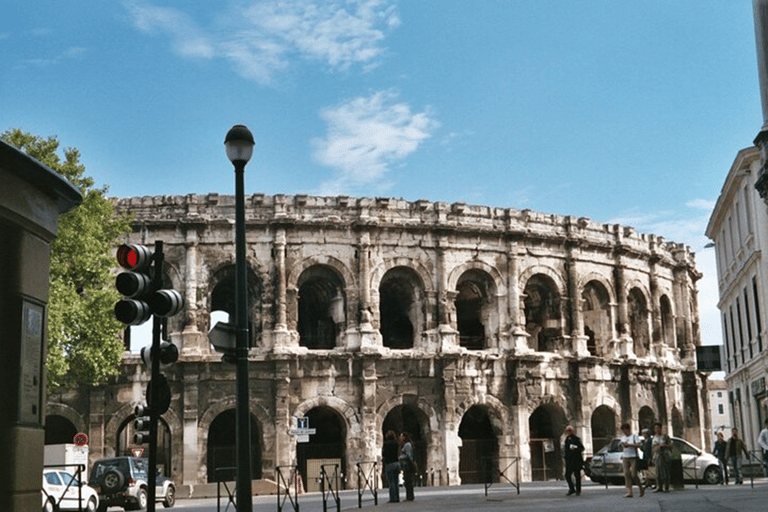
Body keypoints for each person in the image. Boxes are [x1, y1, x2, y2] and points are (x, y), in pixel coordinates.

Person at [619, 423, 645, 498]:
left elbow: (639, 445)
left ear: (629, 429)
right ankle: (629, 492)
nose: (624, 432)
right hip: (625, 457)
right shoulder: (622, 438)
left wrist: (629, 445)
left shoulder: (634, 436)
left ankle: (640, 487)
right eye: (623, 430)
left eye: (625, 430)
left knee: (634, 474)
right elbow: (621, 447)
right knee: (626, 474)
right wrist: (621, 446)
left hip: (633, 457)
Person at [563, 425, 585, 496]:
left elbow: (582, 448)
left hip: (576, 460)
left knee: (577, 476)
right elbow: (566, 450)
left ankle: (578, 490)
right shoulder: (567, 439)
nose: (569, 432)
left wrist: (575, 448)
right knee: (567, 475)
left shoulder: (576, 439)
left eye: (570, 430)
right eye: (568, 431)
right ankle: (572, 489)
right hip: (569, 460)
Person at [651, 422, 671, 493]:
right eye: (655, 428)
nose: (657, 430)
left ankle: (666, 487)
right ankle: (659, 486)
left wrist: (663, 445)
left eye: (658, 428)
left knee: (665, 472)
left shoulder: (665, 437)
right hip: (657, 455)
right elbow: (653, 447)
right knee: (657, 472)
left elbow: (670, 446)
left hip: (664, 455)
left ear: (661, 428)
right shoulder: (654, 437)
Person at [382, 430, 400, 503]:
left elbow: (384, 453)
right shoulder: (396, 443)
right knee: (396, 481)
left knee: (391, 481)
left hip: (389, 463)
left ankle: (393, 498)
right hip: (396, 462)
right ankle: (397, 497)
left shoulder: (386, 444)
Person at [399, 432, 415, 501]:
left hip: (408, 465)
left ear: (404, 437)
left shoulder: (407, 445)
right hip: (407, 465)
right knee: (407, 480)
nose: (400, 438)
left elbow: (409, 456)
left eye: (401, 436)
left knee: (408, 480)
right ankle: (409, 496)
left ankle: (410, 496)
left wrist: (401, 457)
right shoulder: (406, 444)